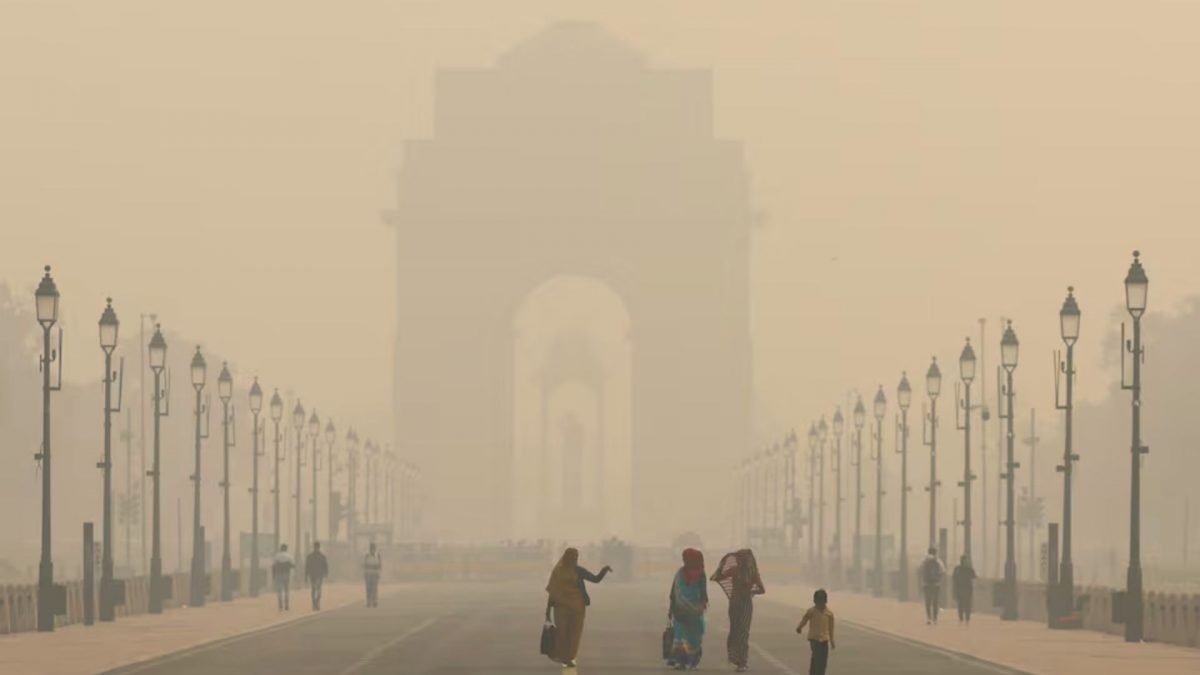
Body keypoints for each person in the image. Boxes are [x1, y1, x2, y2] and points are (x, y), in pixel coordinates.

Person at [544, 547, 612, 669]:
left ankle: (568, 657)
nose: (574, 559)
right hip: (562, 609)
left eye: (576, 557)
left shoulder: (578, 571)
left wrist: (604, 570)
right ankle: (564, 656)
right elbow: (552, 593)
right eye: (573, 557)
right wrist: (547, 612)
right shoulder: (558, 572)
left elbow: (595, 579)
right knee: (562, 633)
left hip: (576, 609)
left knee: (574, 633)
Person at [711, 548, 765, 672]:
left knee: (742, 632)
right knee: (736, 630)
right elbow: (718, 576)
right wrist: (720, 570)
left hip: (742, 604)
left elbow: (762, 589)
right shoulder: (739, 571)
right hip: (737, 603)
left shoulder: (751, 573)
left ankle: (742, 660)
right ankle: (737, 658)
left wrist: (750, 591)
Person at [667, 548, 708, 670]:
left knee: (694, 637)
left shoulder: (700, 574)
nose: (684, 561)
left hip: (692, 611)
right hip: (683, 611)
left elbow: (703, 592)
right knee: (680, 637)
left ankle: (691, 662)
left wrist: (702, 604)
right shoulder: (681, 573)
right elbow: (674, 593)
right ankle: (682, 662)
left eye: (685, 559)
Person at [796, 588, 835, 675]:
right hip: (814, 639)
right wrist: (799, 627)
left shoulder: (829, 614)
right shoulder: (811, 611)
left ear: (825, 601)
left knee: (823, 660)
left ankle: (815, 672)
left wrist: (832, 641)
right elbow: (804, 620)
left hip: (825, 640)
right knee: (818, 658)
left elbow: (831, 629)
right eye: (818, 601)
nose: (820, 604)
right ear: (815, 601)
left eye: (822, 601)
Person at [920, 547, 946, 625]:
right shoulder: (938, 561)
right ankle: (935, 618)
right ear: (935, 552)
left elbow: (920, 569)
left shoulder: (924, 560)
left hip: (926, 584)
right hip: (936, 584)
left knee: (928, 601)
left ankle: (929, 618)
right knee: (935, 602)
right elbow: (943, 571)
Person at [952, 555, 978, 623]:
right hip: (963, 588)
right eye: (965, 560)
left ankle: (966, 617)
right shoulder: (966, 569)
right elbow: (974, 577)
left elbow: (974, 577)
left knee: (966, 604)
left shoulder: (961, 569)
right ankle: (963, 617)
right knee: (963, 604)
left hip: (965, 589)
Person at [305, 541, 329, 611]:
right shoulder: (322, 556)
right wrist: (326, 573)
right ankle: (316, 602)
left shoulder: (309, 556)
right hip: (319, 575)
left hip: (312, 575)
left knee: (313, 589)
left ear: (314, 547)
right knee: (318, 589)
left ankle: (314, 603)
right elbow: (325, 566)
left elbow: (307, 566)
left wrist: (306, 576)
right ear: (319, 547)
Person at [271, 544, 295, 611]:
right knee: (286, 590)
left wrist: (273, 576)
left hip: (278, 575)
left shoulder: (276, 556)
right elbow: (293, 565)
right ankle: (286, 605)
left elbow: (273, 566)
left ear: (280, 549)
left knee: (279, 591)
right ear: (286, 549)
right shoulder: (289, 556)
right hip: (286, 574)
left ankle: (280, 605)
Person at [363, 542, 383, 607]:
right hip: (368, 575)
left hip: (375, 575)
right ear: (369, 549)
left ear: (375, 548)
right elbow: (364, 565)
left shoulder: (378, 556)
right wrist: (364, 574)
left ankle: (375, 601)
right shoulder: (367, 556)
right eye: (371, 548)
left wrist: (379, 574)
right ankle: (369, 602)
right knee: (368, 589)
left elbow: (380, 566)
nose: (372, 549)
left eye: (373, 548)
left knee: (374, 589)